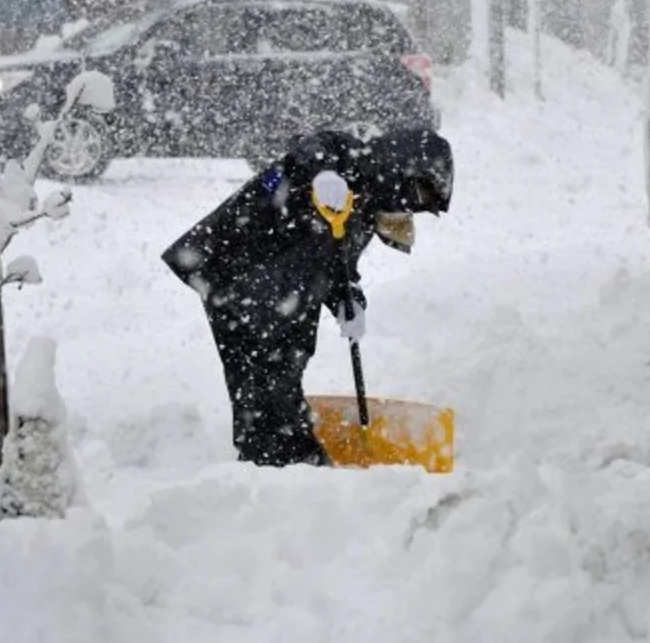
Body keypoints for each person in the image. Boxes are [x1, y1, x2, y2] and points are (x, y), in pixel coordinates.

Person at [161, 128, 454, 467]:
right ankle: (284, 458)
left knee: (284, 363)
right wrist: (324, 174)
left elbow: (339, 265)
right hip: (238, 269)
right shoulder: (345, 155)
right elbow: (310, 146)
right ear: (400, 165)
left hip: (282, 285)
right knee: (267, 367)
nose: (411, 205)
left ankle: (277, 455)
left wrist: (349, 301)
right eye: (417, 192)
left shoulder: (363, 213)